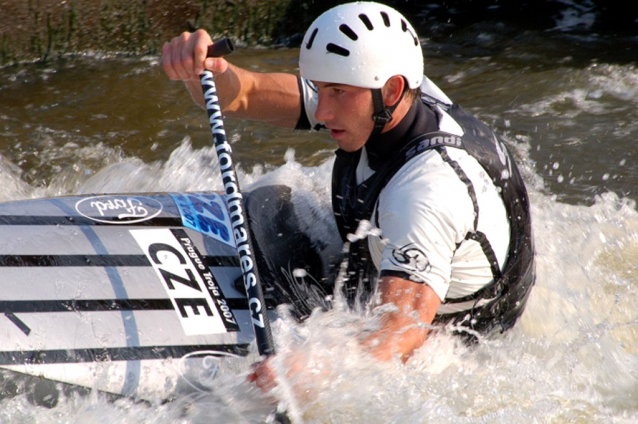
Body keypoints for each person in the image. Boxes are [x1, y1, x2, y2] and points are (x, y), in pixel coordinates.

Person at [163, 1, 535, 389]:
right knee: (271, 210)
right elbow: (244, 93)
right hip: (392, 271)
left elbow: (398, 334)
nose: (322, 111)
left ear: (391, 90)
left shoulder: (426, 193)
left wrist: (311, 371)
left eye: (337, 92)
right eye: (320, 89)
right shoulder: (388, 99)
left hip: (452, 349)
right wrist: (204, 71)